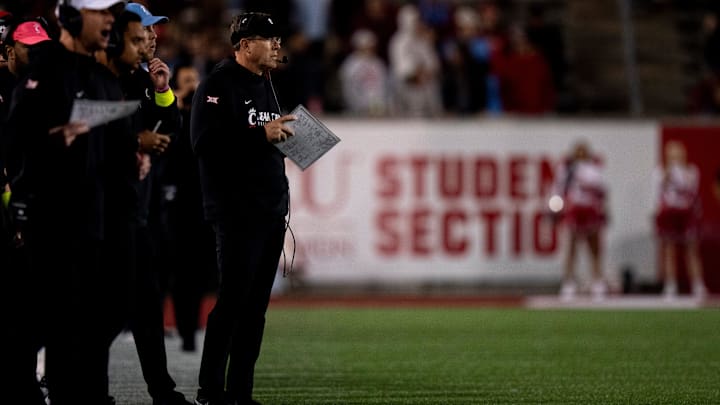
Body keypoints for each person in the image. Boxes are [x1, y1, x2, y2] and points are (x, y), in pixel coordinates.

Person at [3, 0, 130, 403]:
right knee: (57, 339)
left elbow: (119, 158)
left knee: (95, 341)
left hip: (102, 230)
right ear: (72, 16)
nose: (110, 20)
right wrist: (52, 145)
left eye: (113, 13)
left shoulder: (105, 79)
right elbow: (16, 149)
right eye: (101, 12)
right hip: (53, 231)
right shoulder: (42, 74)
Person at [190, 12, 297, 405]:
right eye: (268, 39)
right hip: (236, 212)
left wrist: (289, 139)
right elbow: (203, 144)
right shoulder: (217, 85)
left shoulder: (267, 84)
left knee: (255, 309)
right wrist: (259, 134)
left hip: (269, 210)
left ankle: (240, 392)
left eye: (277, 39)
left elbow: (263, 139)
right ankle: (209, 390)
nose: (276, 46)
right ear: (245, 45)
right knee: (232, 303)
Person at [101, 6, 189, 404]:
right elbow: (89, 132)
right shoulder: (102, 75)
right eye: (143, 32)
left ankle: (162, 391)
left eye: (153, 32)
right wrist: (136, 143)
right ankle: (78, 382)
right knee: (113, 306)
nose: (152, 38)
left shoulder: (141, 76)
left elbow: (170, 126)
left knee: (147, 304)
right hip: (105, 206)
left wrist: (161, 90)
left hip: (140, 206)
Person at [0, 15, 52, 405]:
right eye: (27, 47)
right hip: (14, 214)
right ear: (8, 52)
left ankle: (30, 380)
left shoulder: (46, 90)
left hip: (37, 214)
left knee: (34, 307)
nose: (35, 55)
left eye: (41, 48)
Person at [552, 141, 608, 301]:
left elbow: (601, 189)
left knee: (594, 248)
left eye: (583, 151)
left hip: (590, 210)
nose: (581, 155)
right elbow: (558, 189)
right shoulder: (566, 169)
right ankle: (569, 282)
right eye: (578, 151)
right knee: (571, 247)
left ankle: (597, 282)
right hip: (574, 211)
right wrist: (556, 208)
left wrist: (602, 210)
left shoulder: (594, 169)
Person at [654, 140, 708, 300]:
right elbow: (659, 187)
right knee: (669, 249)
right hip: (670, 213)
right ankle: (670, 284)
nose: (675, 157)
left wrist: (680, 172)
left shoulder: (691, 170)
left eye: (678, 154)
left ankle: (698, 284)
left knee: (692, 250)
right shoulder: (661, 170)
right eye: (672, 154)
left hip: (687, 213)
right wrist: (670, 171)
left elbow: (691, 187)